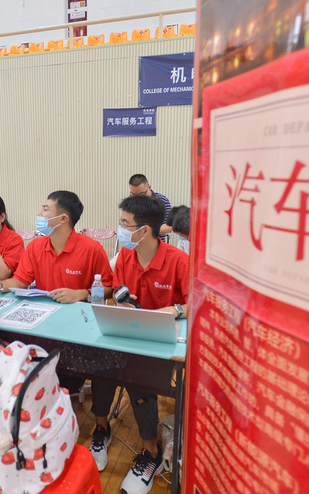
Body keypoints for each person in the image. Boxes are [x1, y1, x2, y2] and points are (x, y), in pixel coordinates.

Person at [89, 195, 189, 494]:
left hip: (160, 340)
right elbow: (119, 288)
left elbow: (196, 302)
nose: (120, 229)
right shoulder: (125, 257)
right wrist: (122, 300)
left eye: (124, 224)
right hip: (127, 331)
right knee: (101, 364)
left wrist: (174, 310)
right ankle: (101, 428)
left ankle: (150, 451)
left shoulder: (178, 260)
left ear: (145, 230)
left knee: (139, 376)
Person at [0, 190, 112, 303]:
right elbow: (19, 281)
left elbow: (109, 289)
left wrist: (80, 294)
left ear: (63, 219)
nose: (39, 214)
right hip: (44, 309)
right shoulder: (35, 246)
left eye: (45, 209)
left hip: (79, 313)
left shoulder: (92, 249)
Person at [128, 174, 172, 242]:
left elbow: (169, 226)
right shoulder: (130, 201)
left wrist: (148, 232)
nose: (137, 198)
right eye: (133, 194)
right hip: (135, 243)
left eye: (141, 194)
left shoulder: (162, 200)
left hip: (156, 244)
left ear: (149, 187)